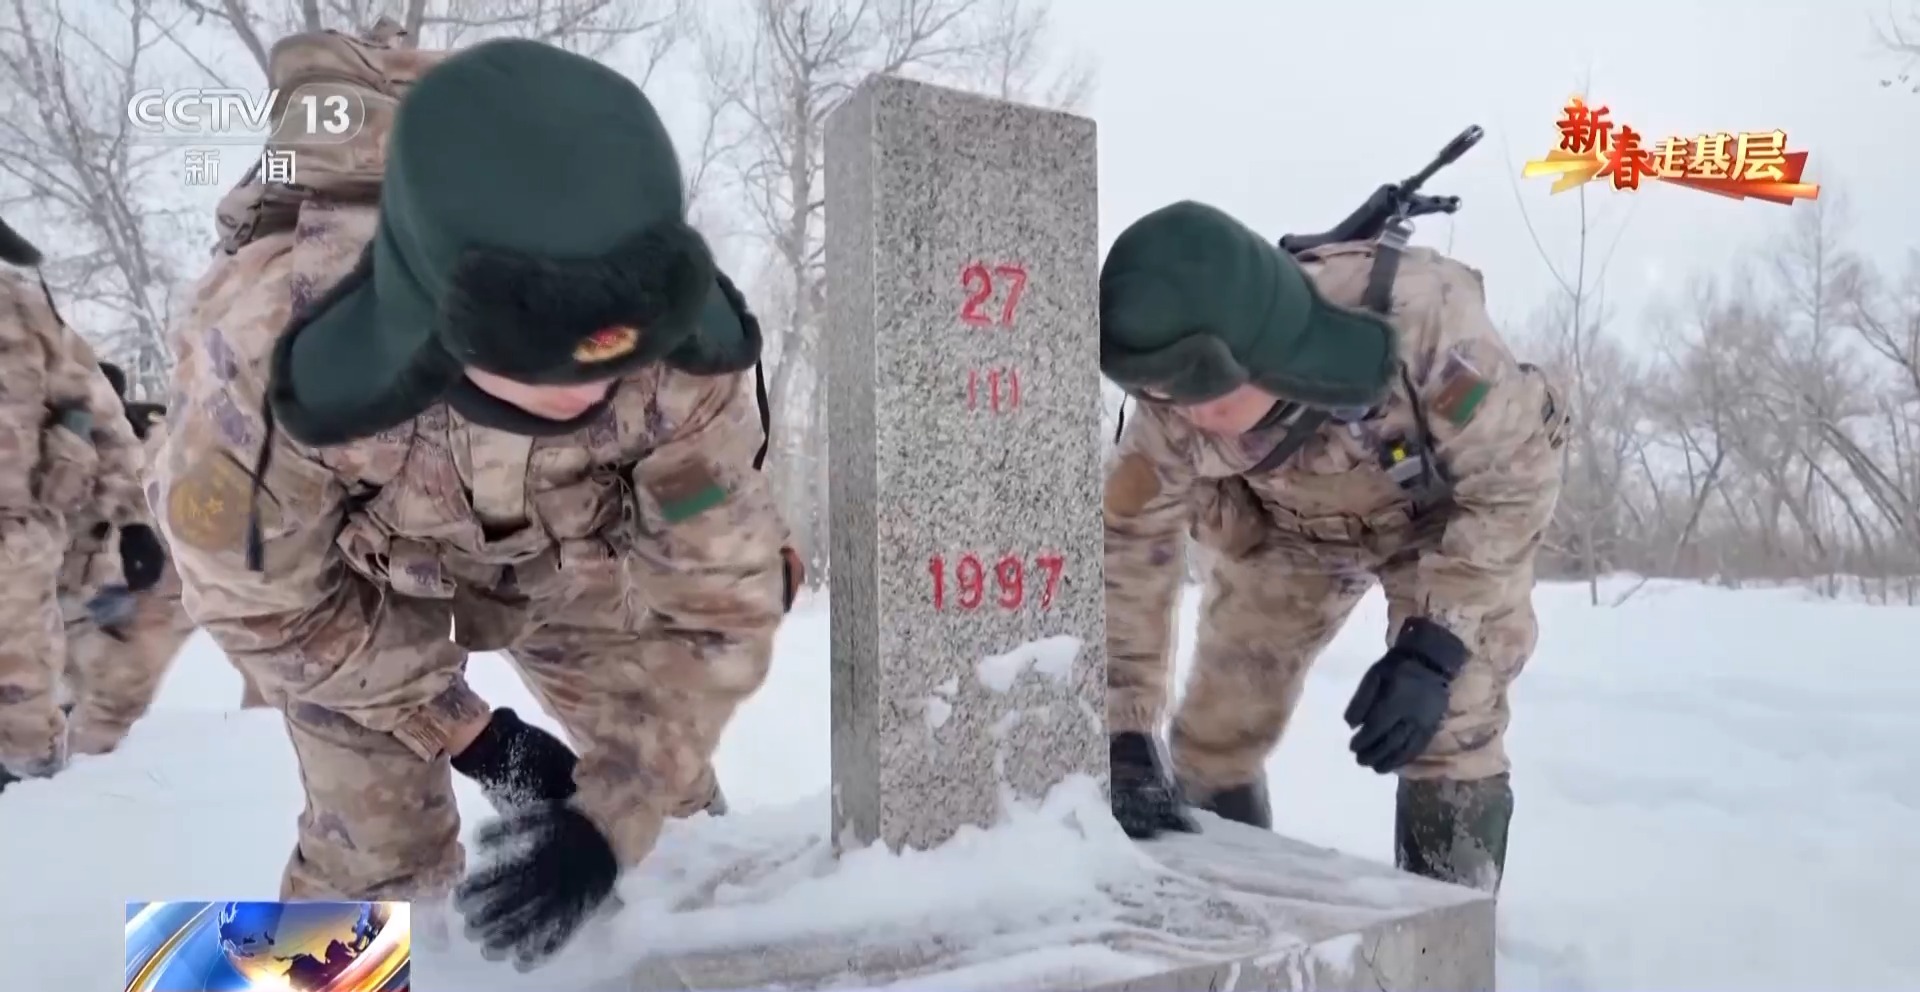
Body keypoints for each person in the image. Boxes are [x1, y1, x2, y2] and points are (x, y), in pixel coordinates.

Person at [152, 36, 790, 967]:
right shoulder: (262, 352)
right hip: (358, 593)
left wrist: (616, 813)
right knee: (370, 867)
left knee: (677, 819)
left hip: (572, 564)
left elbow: (719, 600)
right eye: (536, 357)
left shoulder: (687, 363)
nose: (584, 392)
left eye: (612, 358)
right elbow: (260, 605)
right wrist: (473, 733)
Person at [1097, 200, 1568, 893]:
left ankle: (1449, 932)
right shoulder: (1169, 405)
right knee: (1217, 729)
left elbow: (1513, 482)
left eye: (1209, 391)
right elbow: (1131, 540)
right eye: (1168, 393)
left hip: (1442, 524)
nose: (1190, 413)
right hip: (1290, 530)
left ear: (1262, 348)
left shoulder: (1424, 323)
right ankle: (1229, 918)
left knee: (1453, 719)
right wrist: (1126, 731)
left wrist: (1434, 646)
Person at [0, 220, 150, 793]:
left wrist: (133, 521)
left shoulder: (21, 309)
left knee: (25, 727)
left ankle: (39, 810)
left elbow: (96, 409)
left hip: (16, 550)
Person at [56, 363, 199, 754]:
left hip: (138, 594)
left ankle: (83, 762)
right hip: (69, 596)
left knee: (120, 689)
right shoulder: (47, 449)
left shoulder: (157, 449)